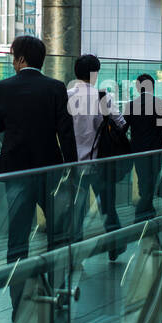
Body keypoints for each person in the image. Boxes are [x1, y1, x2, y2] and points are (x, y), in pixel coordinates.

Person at [0, 34, 75, 267]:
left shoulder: (1, 87)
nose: (12, 62)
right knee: (57, 226)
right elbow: (66, 133)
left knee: (18, 231)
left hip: (15, 168)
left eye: (13, 58)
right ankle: (54, 279)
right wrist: (72, 167)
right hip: (50, 166)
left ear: (21, 59)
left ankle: (18, 283)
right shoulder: (56, 88)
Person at [66, 54, 126, 258]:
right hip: (99, 163)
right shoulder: (103, 97)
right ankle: (115, 244)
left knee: (76, 209)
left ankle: (74, 250)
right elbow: (120, 124)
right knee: (107, 205)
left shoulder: (66, 95)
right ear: (95, 74)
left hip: (72, 165)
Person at [125, 74, 162, 217]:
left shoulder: (131, 105)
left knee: (142, 178)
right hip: (156, 148)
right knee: (152, 179)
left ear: (138, 87)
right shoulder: (160, 103)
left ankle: (146, 208)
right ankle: (143, 212)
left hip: (137, 150)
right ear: (152, 87)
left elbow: (123, 129)